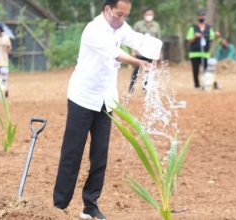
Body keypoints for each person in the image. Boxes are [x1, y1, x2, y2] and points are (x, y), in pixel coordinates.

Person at [53, 0, 154, 219]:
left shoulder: (120, 26)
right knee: (72, 153)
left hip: (106, 100)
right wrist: (140, 63)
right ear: (107, 10)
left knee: (100, 155)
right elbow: (115, 53)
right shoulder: (93, 29)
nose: (122, 19)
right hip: (83, 97)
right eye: (119, 14)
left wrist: (154, 48)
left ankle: (90, 205)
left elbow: (136, 39)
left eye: (126, 15)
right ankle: (59, 206)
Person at [128, 7, 161, 93]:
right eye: (147, 14)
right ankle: (131, 88)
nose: (149, 16)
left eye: (151, 14)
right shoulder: (138, 25)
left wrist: (159, 54)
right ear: (144, 15)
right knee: (136, 70)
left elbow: (159, 40)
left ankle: (146, 88)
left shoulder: (156, 25)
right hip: (140, 52)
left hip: (151, 53)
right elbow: (133, 39)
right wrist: (133, 51)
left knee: (149, 71)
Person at [186, 9, 216, 89]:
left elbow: (212, 38)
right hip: (194, 53)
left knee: (206, 70)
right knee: (195, 70)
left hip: (205, 53)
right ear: (197, 17)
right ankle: (197, 85)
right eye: (200, 15)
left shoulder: (209, 28)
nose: (201, 17)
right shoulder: (193, 28)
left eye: (202, 15)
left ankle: (207, 84)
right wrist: (195, 37)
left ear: (205, 16)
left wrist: (215, 36)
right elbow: (189, 40)